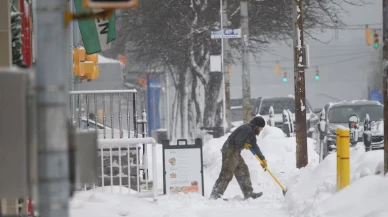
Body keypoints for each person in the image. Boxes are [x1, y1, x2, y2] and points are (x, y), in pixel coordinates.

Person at [209, 116, 267, 200]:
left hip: (235, 152)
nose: (261, 130)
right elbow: (237, 141)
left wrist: (262, 159)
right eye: (261, 128)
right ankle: (215, 195)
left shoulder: (252, 134)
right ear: (256, 126)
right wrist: (245, 144)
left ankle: (248, 193)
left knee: (243, 170)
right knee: (227, 173)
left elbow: (255, 146)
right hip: (229, 150)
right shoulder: (246, 129)